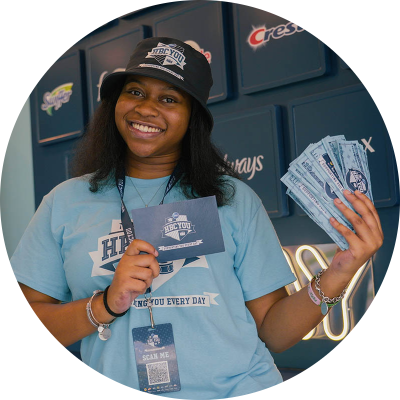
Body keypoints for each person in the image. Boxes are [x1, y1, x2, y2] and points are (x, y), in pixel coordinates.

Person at [10, 37, 384, 399]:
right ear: (115, 103)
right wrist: (105, 304)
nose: (146, 108)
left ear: (193, 119)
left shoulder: (231, 199)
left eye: (169, 98)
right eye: (135, 92)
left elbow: (275, 333)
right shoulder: (65, 202)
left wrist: (341, 271)